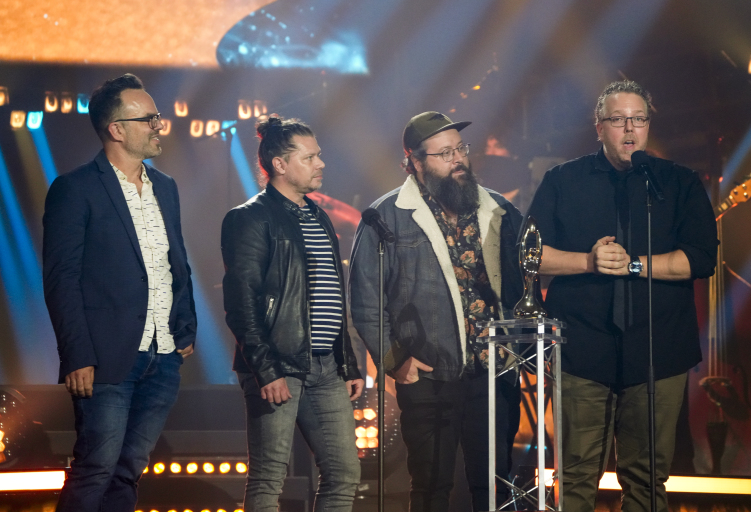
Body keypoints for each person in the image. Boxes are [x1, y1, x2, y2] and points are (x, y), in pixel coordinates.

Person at [525, 80, 718, 512]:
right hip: (580, 348)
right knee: (574, 476)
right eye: (618, 120)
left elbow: (702, 258)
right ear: (599, 127)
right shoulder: (563, 179)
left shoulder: (680, 182)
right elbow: (528, 255)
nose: (629, 130)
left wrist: (633, 265)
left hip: (658, 350)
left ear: (649, 125)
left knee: (648, 481)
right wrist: (589, 263)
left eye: (639, 119)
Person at [349, 111, 524, 512]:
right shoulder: (386, 215)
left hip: (493, 371)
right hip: (428, 372)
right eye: (444, 153)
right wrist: (395, 362)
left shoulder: (497, 209)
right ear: (414, 162)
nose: (458, 159)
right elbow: (365, 301)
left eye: (460, 148)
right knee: (431, 488)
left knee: (495, 486)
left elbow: (521, 283)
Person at [42, 73, 197, 511]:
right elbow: (62, 278)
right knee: (97, 467)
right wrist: (77, 354)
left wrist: (184, 329)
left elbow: (176, 262)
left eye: (157, 117)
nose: (158, 125)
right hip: (106, 356)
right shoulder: (75, 189)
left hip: (162, 353)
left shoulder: (165, 186)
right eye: (148, 118)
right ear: (116, 129)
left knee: (130, 470)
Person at [221, 115, 363, 512]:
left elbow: (331, 294)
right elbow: (241, 301)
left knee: (344, 473)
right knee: (269, 476)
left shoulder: (317, 215)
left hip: (325, 367)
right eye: (310, 157)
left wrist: (347, 360)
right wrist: (266, 370)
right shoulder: (250, 217)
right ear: (280, 164)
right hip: (278, 365)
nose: (321, 164)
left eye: (319, 156)